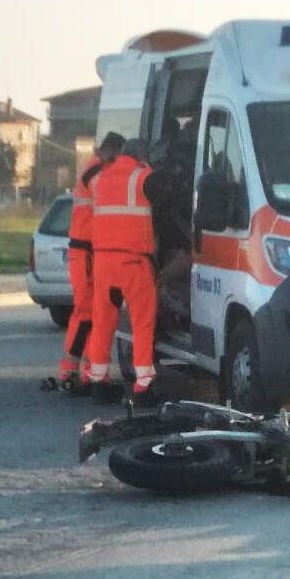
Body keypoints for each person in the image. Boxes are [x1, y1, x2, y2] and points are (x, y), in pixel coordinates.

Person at [85, 138, 166, 401]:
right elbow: (165, 196)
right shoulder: (143, 177)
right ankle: (143, 384)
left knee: (102, 322)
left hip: (103, 262)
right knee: (142, 323)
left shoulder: (101, 179)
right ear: (142, 156)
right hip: (133, 262)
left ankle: (97, 380)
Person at [57, 132, 125, 389]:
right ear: (111, 151)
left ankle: (87, 371)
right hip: (85, 250)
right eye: (119, 157)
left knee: (96, 313)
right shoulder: (96, 173)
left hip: (90, 250)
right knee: (86, 311)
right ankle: (70, 371)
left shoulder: (95, 170)